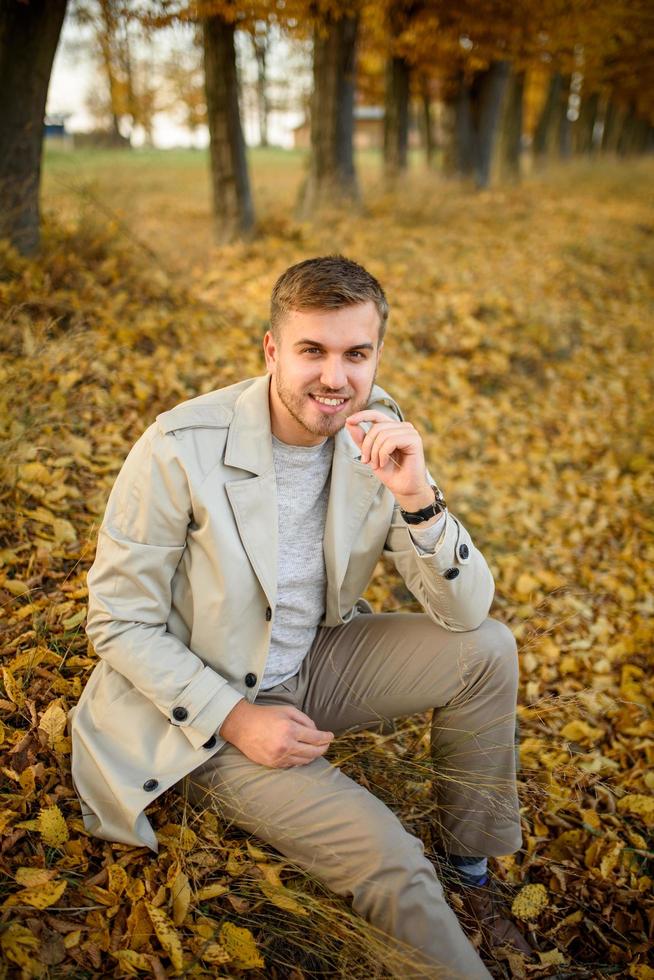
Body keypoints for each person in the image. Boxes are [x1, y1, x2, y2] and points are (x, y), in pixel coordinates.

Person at [68, 255, 533, 978]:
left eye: (357, 354)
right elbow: (117, 622)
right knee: (389, 859)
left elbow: (466, 609)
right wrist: (236, 718)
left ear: (377, 352)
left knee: (489, 650)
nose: (335, 379)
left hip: (311, 661)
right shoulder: (179, 448)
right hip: (198, 713)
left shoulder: (377, 430)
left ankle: (469, 866)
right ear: (272, 350)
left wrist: (418, 497)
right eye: (312, 351)